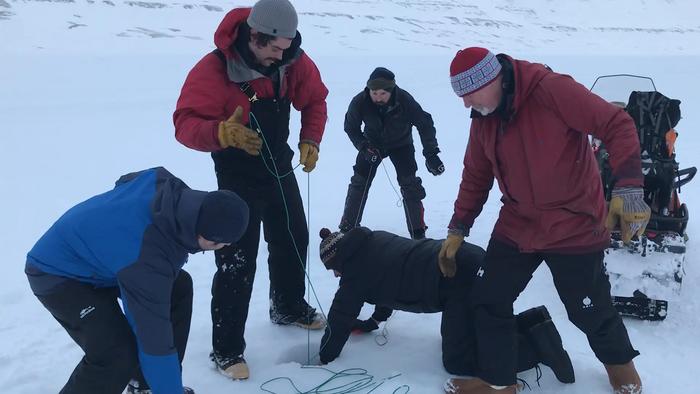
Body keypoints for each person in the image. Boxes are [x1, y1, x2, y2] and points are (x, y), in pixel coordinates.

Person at [438, 47, 650, 394]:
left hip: (574, 223)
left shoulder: (552, 90)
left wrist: (628, 188)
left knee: (588, 309)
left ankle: (622, 370)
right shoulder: (484, 118)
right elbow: (476, 176)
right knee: (489, 298)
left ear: (494, 80)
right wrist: (458, 227)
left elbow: (617, 123)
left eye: (469, 94)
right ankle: (498, 382)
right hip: (519, 222)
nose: (465, 105)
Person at [173, 0, 328, 379]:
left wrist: (311, 139)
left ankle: (287, 306)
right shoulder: (213, 70)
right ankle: (226, 350)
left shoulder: (292, 59)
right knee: (238, 259)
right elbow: (184, 123)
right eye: (275, 48)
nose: (282, 55)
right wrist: (220, 133)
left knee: (294, 236)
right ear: (255, 37)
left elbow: (316, 100)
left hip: (278, 164)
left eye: (287, 47)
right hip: (237, 175)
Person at [25, 167, 250, 394]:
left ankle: (146, 387)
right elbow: (154, 339)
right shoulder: (148, 262)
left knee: (178, 287)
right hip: (55, 273)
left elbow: (126, 181)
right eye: (222, 244)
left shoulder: (167, 187)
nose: (224, 248)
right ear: (207, 239)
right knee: (116, 354)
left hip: (103, 263)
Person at [317, 227, 575, 388]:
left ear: (339, 261)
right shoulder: (373, 242)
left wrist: (324, 360)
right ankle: (533, 323)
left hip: (455, 280)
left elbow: (339, 319)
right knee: (483, 327)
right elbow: (387, 280)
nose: (337, 276)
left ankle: (536, 347)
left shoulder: (355, 276)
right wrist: (373, 322)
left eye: (334, 270)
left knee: (458, 359)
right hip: (463, 258)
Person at [339, 67, 444, 240]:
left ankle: (418, 233)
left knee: (409, 184)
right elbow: (350, 127)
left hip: (401, 144)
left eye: (382, 94)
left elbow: (425, 123)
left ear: (392, 90)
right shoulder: (360, 101)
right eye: (374, 93)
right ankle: (347, 228)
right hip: (372, 143)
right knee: (359, 181)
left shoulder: (404, 100)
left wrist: (431, 154)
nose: (378, 98)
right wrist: (363, 147)